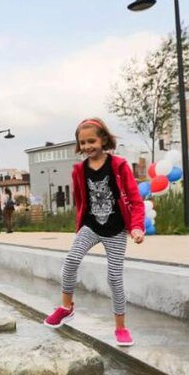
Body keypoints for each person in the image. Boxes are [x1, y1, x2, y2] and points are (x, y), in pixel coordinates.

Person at [43, 118, 144, 346]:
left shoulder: (118, 166)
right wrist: (80, 227)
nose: (88, 146)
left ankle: (121, 327)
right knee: (70, 261)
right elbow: (81, 201)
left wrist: (136, 226)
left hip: (116, 230)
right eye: (83, 142)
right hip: (90, 226)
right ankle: (66, 307)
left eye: (92, 141)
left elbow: (135, 200)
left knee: (114, 278)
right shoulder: (79, 170)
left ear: (103, 140)